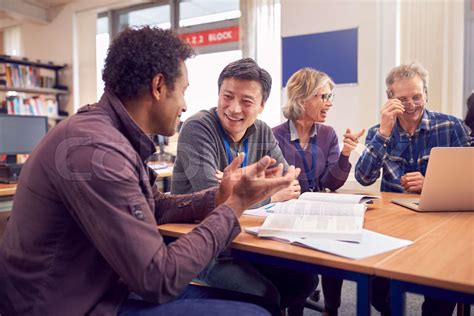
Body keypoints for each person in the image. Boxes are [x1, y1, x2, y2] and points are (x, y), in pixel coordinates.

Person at [0, 27, 297, 316]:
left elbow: (154, 206)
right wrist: (235, 206)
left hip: (103, 289)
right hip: (68, 305)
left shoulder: (111, 134)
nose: (184, 105)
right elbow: (159, 280)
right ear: (158, 87)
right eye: (183, 91)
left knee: (266, 302)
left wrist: (220, 196)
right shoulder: (96, 149)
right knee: (257, 310)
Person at [171, 58, 317, 316]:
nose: (234, 108)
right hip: (202, 243)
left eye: (247, 102)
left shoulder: (261, 130)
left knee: (303, 280)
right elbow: (215, 198)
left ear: (261, 106)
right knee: (264, 294)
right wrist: (271, 194)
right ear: (218, 94)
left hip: (245, 237)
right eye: (227, 96)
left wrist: (247, 190)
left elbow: (288, 181)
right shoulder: (197, 127)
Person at [355, 62, 471, 315]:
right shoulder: (379, 132)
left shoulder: (450, 126)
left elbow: (469, 178)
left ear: (426, 94)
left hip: (441, 224)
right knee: (375, 291)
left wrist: (429, 184)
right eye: (403, 99)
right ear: (390, 99)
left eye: (417, 96)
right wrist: (384, 131)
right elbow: (363, 177)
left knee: (440, 295)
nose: (411, 104)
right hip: (393, 224)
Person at [272, 67, 364, 316]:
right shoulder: (274, 136)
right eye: (323, 96)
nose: (329, 103)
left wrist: (345, 153)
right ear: (302, 98)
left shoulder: (327, 134)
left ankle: (331, 309)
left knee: (334, 249)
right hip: (286, 213)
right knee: (297, 269)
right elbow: (274, 185)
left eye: (330, 96)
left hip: (318, 209)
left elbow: (331, 183)